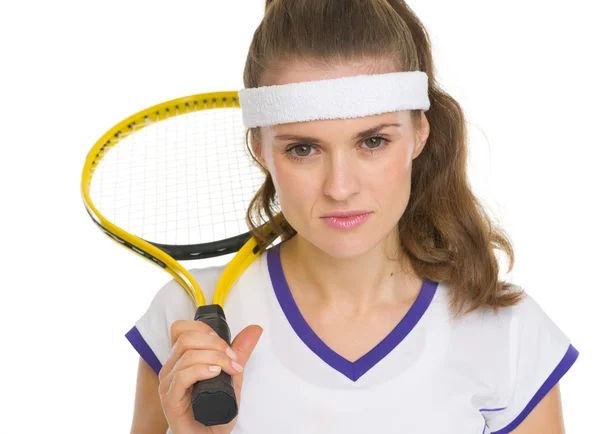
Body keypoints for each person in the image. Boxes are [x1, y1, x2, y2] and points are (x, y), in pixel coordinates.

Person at [125, 1, 580, 433]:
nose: (340, 187)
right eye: (302, 149)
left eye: (373, 142)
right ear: (259, 149)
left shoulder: (506, 331)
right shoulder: (190, 317)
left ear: (420, 132)